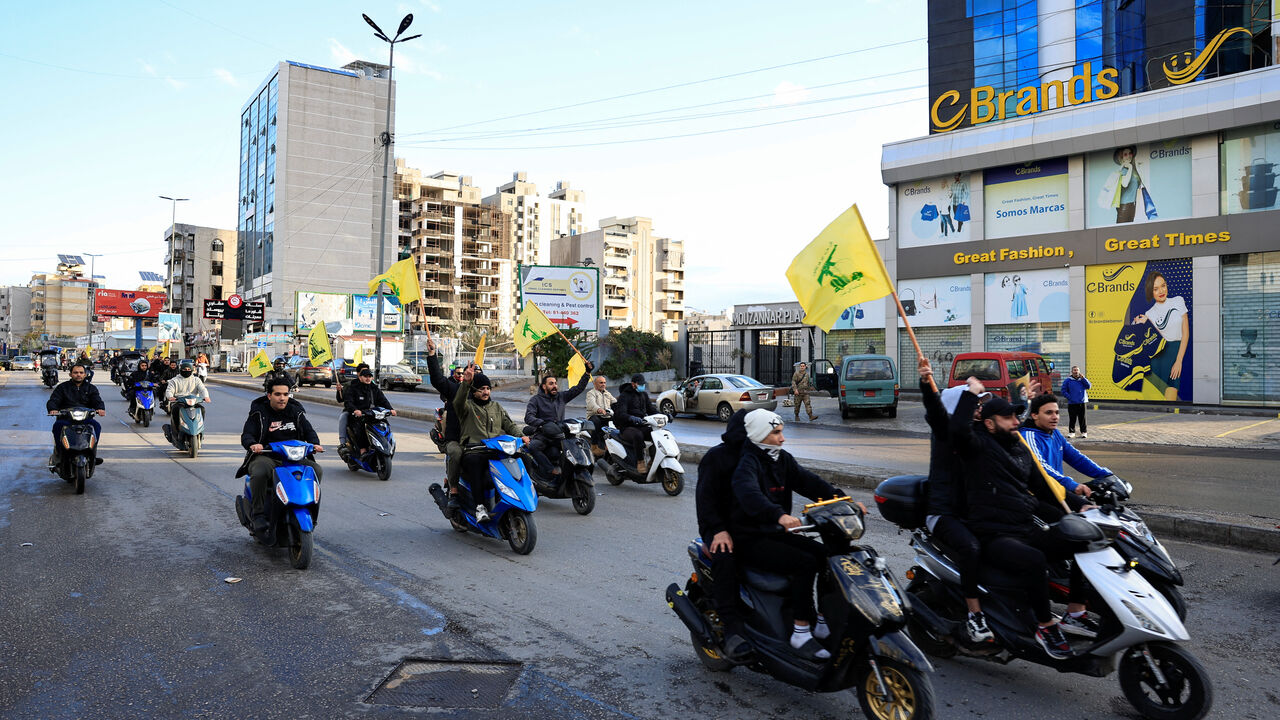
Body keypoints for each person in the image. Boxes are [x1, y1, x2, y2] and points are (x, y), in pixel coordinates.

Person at [949, 379, 1089, 660]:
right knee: (1035, 561)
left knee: (1083, 540)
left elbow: (1044, 487)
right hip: (995, 535)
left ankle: (1075, 613)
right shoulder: (976, 446)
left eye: (1016, 415)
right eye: (1008, 417)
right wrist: (969, 396)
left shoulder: (1018, 445)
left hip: (1024, 526)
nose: (1016, 421)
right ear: (989, 423)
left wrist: (1081, 504)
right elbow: (956, 431)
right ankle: (1045, 625)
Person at [731, 409, 842, 660]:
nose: (782, 439)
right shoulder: (747, 462)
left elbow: (809, 482)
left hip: (774, 532)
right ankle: (801, 632)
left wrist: (842, 500)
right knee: (805, 562)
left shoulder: (781, 459)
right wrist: (778, 515)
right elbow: (749, 494)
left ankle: (822, 622)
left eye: (782, 432)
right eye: (776, 433)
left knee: (827, 556)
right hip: (751, 538)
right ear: (760, 435)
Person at [918, 359, 992, 643]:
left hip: (972, 511)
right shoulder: (946, 435)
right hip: (943, 513)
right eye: (972, 405)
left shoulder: (976, 433)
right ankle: (975, 615)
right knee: (971, 548)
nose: (977, 409)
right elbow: (936, 414)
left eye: (977, 406)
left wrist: (1026, 402)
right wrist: (927, 385)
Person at [695, 409, 751, 660]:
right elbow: (705, 502)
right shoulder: (716, 458)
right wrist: (718, 530)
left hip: (749, 527)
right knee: (726, 558)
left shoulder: (760, 456)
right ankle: (732, 629)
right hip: (717, 528)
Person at [238, 380, 323, 541]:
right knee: (260, 471)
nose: (282, 398)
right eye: (277, 394)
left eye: (285, 394)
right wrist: (253, 444)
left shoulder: (295, 412)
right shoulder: (259, 413)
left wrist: (315, 444)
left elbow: (309, 431)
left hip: (294, 458)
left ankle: (309, 509)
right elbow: (247, 434)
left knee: (316, 470)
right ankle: (258, 515)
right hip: (267, 456)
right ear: (269, 395)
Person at [453, 365, 525, 522]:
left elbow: (509, 425)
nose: (485, 392)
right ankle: (480, 507)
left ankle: (518, 499)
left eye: (487, 388)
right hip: (474, 450)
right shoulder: (467, 407)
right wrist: (466, 383)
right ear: (474, 391)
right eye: (481, 389)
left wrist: (522, 437)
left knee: (522, 459)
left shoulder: (496, 407)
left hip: (496, 450)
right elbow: (458, 401)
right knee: (474, 464)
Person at [524, 366, 592, 482]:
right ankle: (550, 470)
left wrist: (587, 373)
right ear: (544, 386)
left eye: (555, 383)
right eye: (551, 383)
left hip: (559, 434)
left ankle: (572, 471)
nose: (554, 386)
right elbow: (528, 417)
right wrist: (543, 423)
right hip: (543, 434)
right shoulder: (536, 400)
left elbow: (578, 389)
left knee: (574, 447)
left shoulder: (561, 397)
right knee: (533, 447)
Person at [1133, 271, 1189, 401]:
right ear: (1150, 292)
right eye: (1155, 289)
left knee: (1171, 401)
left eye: (1163, 286)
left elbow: (1185, 333)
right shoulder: (1149, 313)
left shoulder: (1178, 301)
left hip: (1175, 355)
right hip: (1156, 360)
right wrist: (1141, 324)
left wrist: (1179, 361)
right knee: (1155, 402)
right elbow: (1153, 340)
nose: (1161, 291)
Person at [425, 336, 465, 508]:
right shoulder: (454, 389)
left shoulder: (488, 402)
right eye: (463, 374)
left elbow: (503, 421)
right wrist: (432, 354)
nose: (484, 391)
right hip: (457, 439)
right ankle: (454, 490)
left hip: (479, 442)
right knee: (456, 453)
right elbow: (437, 380)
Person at [46, 363, 106, 469]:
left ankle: (92, 454)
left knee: (96, 426)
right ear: (70, 374)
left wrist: (100, 408)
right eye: (75, 372)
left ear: (85, 374)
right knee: (57, 426)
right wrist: (53, 409)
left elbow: (97, 400)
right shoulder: (62, 387)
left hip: (85, 419)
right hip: (66, 419)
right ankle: (60, 454)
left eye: (81, 373)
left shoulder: (91, 388)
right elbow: (54, 400)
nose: (78, 375)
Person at [612, 374, 660, 472]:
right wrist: (631, 417)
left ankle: (653, 459)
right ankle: (640, 462)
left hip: (641, 425)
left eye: (643, 384)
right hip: (627, 428)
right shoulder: (624, 396)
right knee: (638, 435)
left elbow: (651, 410)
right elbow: (620, 413)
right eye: (640, 384)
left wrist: (664, 415)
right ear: (633, 384)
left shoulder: (644, 395)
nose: (642, 386)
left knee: (657, 434)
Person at [342, 367, 396, 454]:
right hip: (360, 415)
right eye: (365, 376)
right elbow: (348, 402)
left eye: (369, 376)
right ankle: (362, 449)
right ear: (360, 377)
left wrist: (391, 409)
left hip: (373, 414)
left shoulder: (374, 388)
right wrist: (355, 410)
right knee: (360, 427)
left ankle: (386, 444)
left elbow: (383, 400)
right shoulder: (353, 388)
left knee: (384, 425)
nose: (368, 378)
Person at [163, 359, 211, 431]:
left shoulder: (196, 380)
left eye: (189, 369)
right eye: (185, 369)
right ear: (181, 370)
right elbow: (169, 390)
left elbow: (203, 389)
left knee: (202, 409)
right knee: (175, 410)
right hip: (179, 402)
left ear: (191, 370)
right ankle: (176, 429)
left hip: (194, 402)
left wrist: (206, 396)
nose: (187, 370)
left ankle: (199, 428)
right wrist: (170, 397)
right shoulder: (174, 380)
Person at [583, 374, 616, 452]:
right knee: (596, 422)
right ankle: (594, 445)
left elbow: (614, 402)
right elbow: (592, 404)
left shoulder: (607, 393)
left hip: (606, 416)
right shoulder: (591, 393)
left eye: (604, 382)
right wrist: (599, 409)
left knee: (618, 420)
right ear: (595, 384)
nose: (603, 384)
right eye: (601, 382)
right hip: (594, 415)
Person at [1060, 366, 1091, 438]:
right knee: (1072, 418)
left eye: (1077, 370)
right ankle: (1071, 432)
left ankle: (1084, 432)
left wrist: (1083, 379)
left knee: (1082, 418)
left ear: (1079, 371)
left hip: (1082, 402)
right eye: (1074, 370)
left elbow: (1088, 386)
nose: (1076, 371)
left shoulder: (1082, 380)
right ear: (1072, 372)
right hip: (1072, 403)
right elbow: (1063, 390)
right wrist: (1070, 397)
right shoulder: (1068, 380)